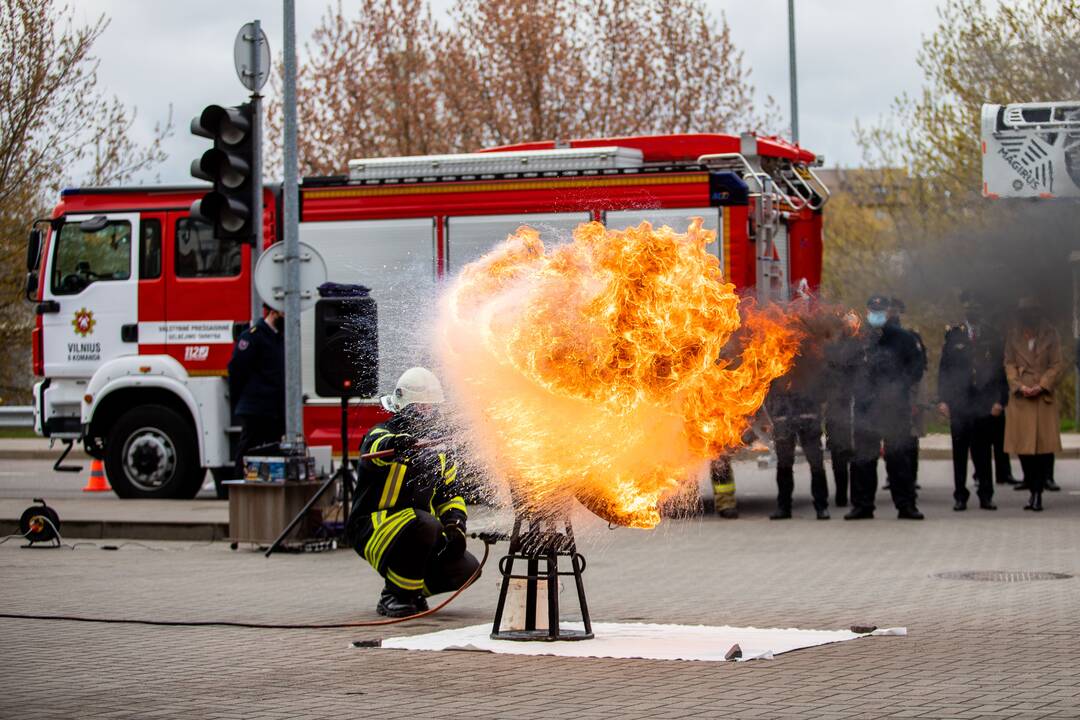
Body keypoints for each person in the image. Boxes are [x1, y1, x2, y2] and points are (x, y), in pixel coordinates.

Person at [347, 367, 478, 617]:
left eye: (430, 408)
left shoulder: (437, 447)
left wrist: (455, 525)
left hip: (417, 528)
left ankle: (411, 591)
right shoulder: (383, 434)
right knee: (424, 523)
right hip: (372, 527)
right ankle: (394, 595)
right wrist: (396, 445)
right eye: (420, 407)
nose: (426, 413)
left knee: (467, 567)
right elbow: (375, 447)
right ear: (404, 406)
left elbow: (450, 495)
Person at [846, 294, 926, 520]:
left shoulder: (904, 339)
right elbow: (848, 368)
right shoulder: (859, 338)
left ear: (889, 312)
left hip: (894, 408)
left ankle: (906, 505)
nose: (877, 314)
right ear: (867, 311)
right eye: (873, 310)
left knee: (899, 458)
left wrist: (899, 387)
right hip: (865, 408)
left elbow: (917, 368)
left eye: (881, 311)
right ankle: (862, 505)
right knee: (863, 459)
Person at [937, 291, 1007, 511]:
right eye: (969, 306)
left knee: (983, 453)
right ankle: (960, 496)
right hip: (959, 403)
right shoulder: (954, 335)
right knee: (959, 453)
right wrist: (943, 400)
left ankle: (986, 495)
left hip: (983, 402)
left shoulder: (991, 334)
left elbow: (1000, 371)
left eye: (976, 307)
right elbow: (944, 370)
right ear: (964, 309)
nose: (972, 310)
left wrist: (1000, 400)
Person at [1003, 298, 1065, 512]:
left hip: (1042, 398)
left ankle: (1038, 493)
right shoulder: (1013, 335)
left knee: (1041, 449)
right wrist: (1018, 386)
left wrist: (1042, 384)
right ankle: (1030, 486)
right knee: (1023, 448)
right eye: (1025, 312)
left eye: (1032, 312)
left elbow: (1057, 364)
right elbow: (1009, 363)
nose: (1029, 316)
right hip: (1021, 398)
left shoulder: (1051, 334)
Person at [766, 319, 830, 520]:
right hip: (784, 416)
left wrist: (817, 402)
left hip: (807, 415)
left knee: (815, 462)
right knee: (784, 463)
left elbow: (823, 383)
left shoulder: (813, 356)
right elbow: (767, 386)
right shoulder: (775, 355)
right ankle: (784, 507)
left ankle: (821, 506)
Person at [227, 306, 286, 482]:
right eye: (284, 313)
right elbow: (236, 370)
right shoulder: (253, 336)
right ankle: (239, 485)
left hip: (274, 409)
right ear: (273, 313)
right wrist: (244, 399)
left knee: (272, 450)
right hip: (256, 407)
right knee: (248, 449)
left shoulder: (278, 338)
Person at [823, 311, 860, 507]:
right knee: (839, 454)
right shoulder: (832, 349)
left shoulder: (860, 347)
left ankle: (855, 495)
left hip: (854, 406)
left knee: (854, 454)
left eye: (851, 325)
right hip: (837, 408)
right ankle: (840, 495)